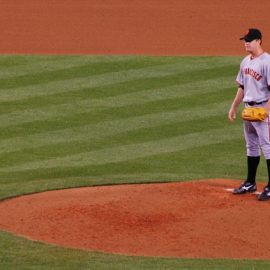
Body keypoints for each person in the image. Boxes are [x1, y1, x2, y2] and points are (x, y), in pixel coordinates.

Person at [228, 28, 270, 201]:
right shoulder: (245, 61)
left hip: (263, 110)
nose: (246, 42)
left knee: (267, 147)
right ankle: (250, 182)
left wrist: (266, 111)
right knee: (251, 146)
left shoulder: (267, 62)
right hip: (248, 109)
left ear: (259, 41)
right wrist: (233, 107)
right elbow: (242, 87)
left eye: (250, 40)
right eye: (245, 39)